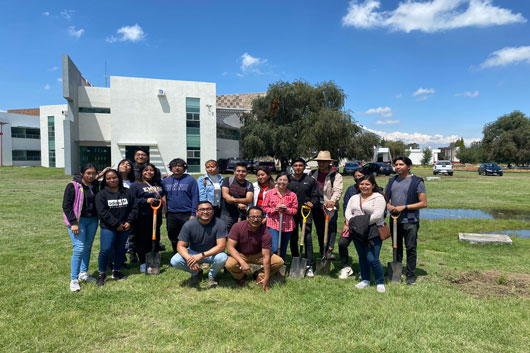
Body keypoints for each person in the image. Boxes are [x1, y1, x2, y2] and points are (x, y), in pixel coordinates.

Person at [385, 156, 427, 285]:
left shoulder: (417, 182)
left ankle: (410, 275)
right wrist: (389, 206)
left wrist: (405, 207)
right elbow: (385, 200)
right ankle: (396, 272)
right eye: (396, 164)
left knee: (410, 248)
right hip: (395, 220)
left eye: (401, 164)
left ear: (408, 166)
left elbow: (423, 203)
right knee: (396, 247)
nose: (397, 167)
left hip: (410, 221)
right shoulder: (392, 181)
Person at [341, 175, 387, 293]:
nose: (364, 186)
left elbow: (377, 215)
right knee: (362, 257)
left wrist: (360, 223)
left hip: (373, 230)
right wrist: (355, 224)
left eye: (367, 184)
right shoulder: (354, 197)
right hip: (357, 231)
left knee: (372, 258)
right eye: (362, 184)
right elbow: (348, 212)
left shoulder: (378, 197)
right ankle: (365, 279)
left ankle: (380, 281)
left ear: (373, 185)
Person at [170, 201, 228, 288]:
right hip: (193, 252)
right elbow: (180, 246)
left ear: (213, 211)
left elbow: (221, 246)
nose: (205, 212)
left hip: (212, 253)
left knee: (222, 257)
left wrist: (201, 255)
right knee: (175, 260)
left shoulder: (220, 223)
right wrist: (189, 259)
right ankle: (195, 272)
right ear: (197, 212)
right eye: (202, 209)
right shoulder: (189, 225)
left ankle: (212, 276)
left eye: (208, 209)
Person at [95, 169, 138, 287]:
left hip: (125, 226)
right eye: (108, 178)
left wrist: (129, 221)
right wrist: (116, 224)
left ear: (118, 178)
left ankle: (117, 271)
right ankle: (102, 274)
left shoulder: (128, 192)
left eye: (114, 177)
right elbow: (102, 212)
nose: (112, 180)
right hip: (108, 227)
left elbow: (134, 208)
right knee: (105, 250)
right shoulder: (101, 194)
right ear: (105, 180)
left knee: (120, 249)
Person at [225, 207, 285, 291]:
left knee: (279, 261)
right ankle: (241, 276)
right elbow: (230, 247)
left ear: (262, 218)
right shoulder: (237, 226)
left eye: (258, 217)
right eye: (252, 217)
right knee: (229, 264)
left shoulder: (266, 232)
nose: (255, 220)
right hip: (241, 254)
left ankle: (259, 276)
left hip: (258, 255)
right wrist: (242, 262)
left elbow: (266, 257)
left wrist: (266, 277)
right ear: (247, 218)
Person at [62, 164, 100, 292]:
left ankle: (83, 273)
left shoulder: (95, 186)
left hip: (93, 220)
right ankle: (74, 280)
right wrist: (73, 222)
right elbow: (66, 206)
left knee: (88, 247)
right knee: (79, 248)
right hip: (79, 221)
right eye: (88, 173)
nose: (91, 176)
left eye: (93, 173)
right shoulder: (73, 186)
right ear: (82, 173)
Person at [130, 163, 165, 273]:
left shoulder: (158, 183)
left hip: (156, 215)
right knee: (142, 239)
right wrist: (145, 200)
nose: (149, 172)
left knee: (155, 238)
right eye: (146, 170)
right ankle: (143, 262)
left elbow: (162, 194)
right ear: (141, 172)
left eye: (151, 170)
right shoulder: (136, 185)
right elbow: (132, 200)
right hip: (142, 217)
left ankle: (153, 259)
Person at [288, 158, 320, 277]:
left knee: (307, 237)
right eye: (295, 165)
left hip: (305, 212)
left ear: (304, 167)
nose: (298, 167)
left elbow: (316, 196)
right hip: (291, 213)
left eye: (300, 165)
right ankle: (296, 260)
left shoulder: (310, 180)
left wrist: (313, 202)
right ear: (292, 167)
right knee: (293, 237)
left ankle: (309, 264)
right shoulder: (288, 180)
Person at [162, 158, 199, 254]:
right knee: (173, 235)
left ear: (184, 168)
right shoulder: (166, 181)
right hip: (171, 213)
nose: (177, 168)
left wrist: (193, 213)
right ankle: (176, 254)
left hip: (186, 213)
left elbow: (195, 197)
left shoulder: (190, 180)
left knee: (188, 236)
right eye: (174, 166)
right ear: (170, 168)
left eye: (179, 166)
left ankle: (190, 255)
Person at [310, 151, 343, 258]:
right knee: (320, 229)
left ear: (329, 162)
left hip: (329, 205)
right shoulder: (312, 174)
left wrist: (332, 200)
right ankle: (322, 250)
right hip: (316, 205)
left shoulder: (335, 175)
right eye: (320, 161)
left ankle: (329, 249)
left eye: (324, 162)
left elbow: (338, 191)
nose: (321, 164)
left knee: (331, 226)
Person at [262, 173, 298, 260]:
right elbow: (264, 207)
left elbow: (295, 210)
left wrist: (286, 210)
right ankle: (271, 264)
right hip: (273, 223)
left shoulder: (292, 195)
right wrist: (274, 209)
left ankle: (281, 265)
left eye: (285, 180)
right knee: (274, 247)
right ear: (276, 181)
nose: (282, 182)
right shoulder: (269, 193)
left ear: (288, 182)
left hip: (287, 225)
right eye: (280, 179)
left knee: (283, 248)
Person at [221, 162, 253, 232]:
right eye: (238, 171)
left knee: (240, 234)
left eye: (243, 171)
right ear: (234, 172)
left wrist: (234, 200)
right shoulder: (228, 180)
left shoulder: (249, 185)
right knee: (224, 233)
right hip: (227, 214)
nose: (240, 173)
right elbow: (225, 195)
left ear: (247, 173)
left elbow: (248, 199)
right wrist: (238, 204)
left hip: (242, 214)